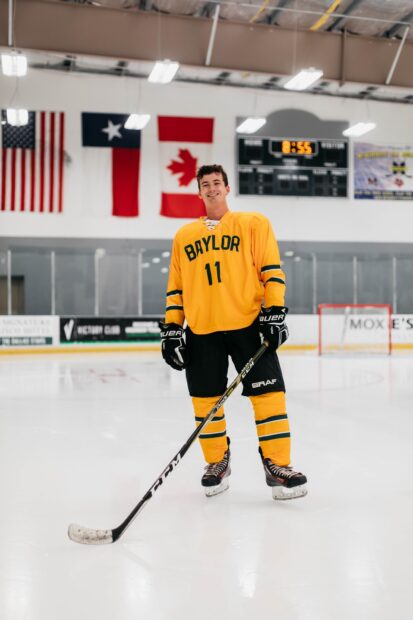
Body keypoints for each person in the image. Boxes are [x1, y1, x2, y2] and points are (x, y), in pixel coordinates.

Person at [159, 164, 307, 500]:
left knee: (269, 396)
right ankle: (216, 464)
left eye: (216, 183)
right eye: (205, 185)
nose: (211, 188)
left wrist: (274, 310)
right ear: (198, 192)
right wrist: (171, 328)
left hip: (248, 325)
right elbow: (176, 289)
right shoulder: (184, 236)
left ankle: (278, 466)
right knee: (206, 402)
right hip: (202, 330)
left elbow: (271, 269)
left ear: (228, 188)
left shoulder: (253, 223)